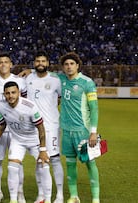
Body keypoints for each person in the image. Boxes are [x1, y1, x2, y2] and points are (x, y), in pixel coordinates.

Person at [0, 81, 52, 203]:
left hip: (34, 139)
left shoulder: (29, 106)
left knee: (44, 166)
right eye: (8, 93)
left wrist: (43, 150)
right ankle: (14, 199)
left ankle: (46, 199)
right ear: (4, 94)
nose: (11, 96)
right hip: (17, 140)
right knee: (12, 168)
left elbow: (41, 128)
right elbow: (2, 123)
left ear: (19, 93)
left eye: (13, 92)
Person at [0, 53, 27, 203]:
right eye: (0, 62)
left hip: (16, 129)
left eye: (6, 62)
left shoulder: (19, 81)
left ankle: (20, 192)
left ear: (11, 64)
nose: (3, 64)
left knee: (17, 162)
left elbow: (24, 102)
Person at [58, 52, 100, 203]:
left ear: (77, 66)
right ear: (63, 67)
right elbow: (45, 74)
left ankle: (96, 198)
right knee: (70, 164)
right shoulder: (61, 79)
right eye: (66, 64)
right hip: (66, 131)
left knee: (90, 163)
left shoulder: (87, 82)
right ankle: (74, 196)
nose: (69, 67)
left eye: (72, 64)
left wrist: (93, 132)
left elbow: (94, 108)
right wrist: (29, 71)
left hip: (83, 131)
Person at [25, 51, 64, 203]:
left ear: (48, 63)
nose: (40, 63)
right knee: (39, 159)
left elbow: (59, 98)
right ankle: (41, 194)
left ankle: (59, 194)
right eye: (37, 61)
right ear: (34, 63)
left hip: (51, 125)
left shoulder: (56, 79)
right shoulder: (28, 78)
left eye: (43, 61)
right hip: (33, 126)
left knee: (54, 159)